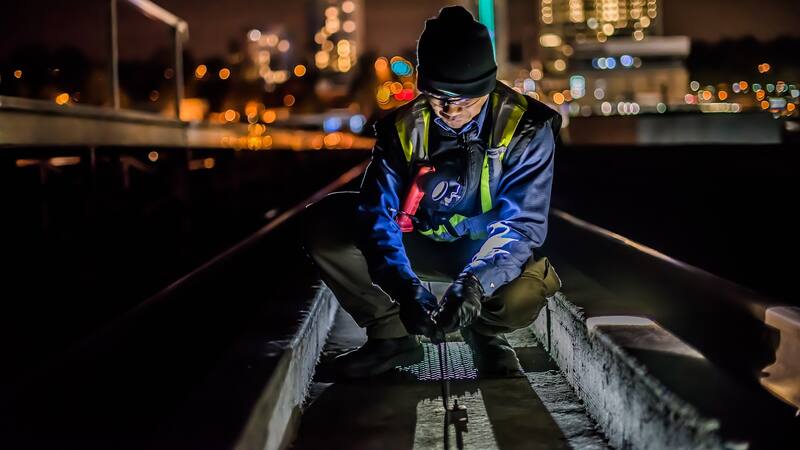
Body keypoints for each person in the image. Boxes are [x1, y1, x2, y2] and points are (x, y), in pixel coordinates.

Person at [302, 5, 562, 378]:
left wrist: (473, 284)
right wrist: (404, 287)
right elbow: (378, 216)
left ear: (487, 87)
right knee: (325, 223)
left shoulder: (527, 129)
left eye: (465, 99)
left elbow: (521, 227)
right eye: (440, 96)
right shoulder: (402, 128)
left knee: (522, 294)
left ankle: (486, 335)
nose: (451, 109)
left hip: (485, 248)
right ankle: (390, 337)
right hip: (420, 244)